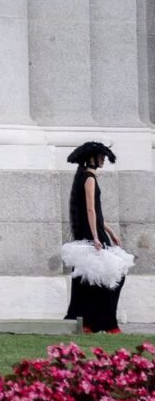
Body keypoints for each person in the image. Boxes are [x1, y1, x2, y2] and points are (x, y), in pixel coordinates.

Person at [64, 141, 125, 333]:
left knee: (88, 279)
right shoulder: (89, 178)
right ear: (91, 157)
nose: (103, 159)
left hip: (92, 231)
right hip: (92, 234)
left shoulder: (83, 177)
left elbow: (94, 212)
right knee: (112, 275)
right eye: (101, 156)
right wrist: (97, 237)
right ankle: (105, 323)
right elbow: (90, 210)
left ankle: (88, 322)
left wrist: (110, 230)